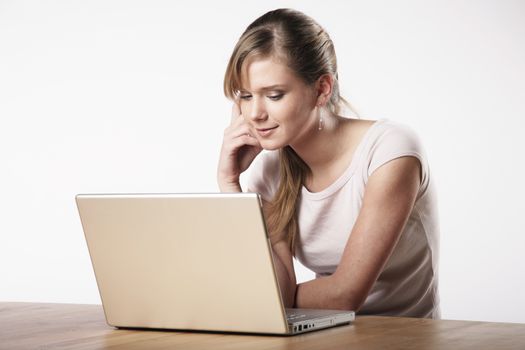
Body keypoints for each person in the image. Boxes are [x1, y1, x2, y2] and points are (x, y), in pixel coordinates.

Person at [217, 8, 440, 318]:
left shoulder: (389, 151)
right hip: (323, 333)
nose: (254, 113)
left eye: (274, 95)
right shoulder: (268, 172)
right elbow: (276, 289)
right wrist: (230, 186)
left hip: (405, 335)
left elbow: (346, 295)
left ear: (321, 89)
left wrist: (267, 297)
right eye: (245, 95)